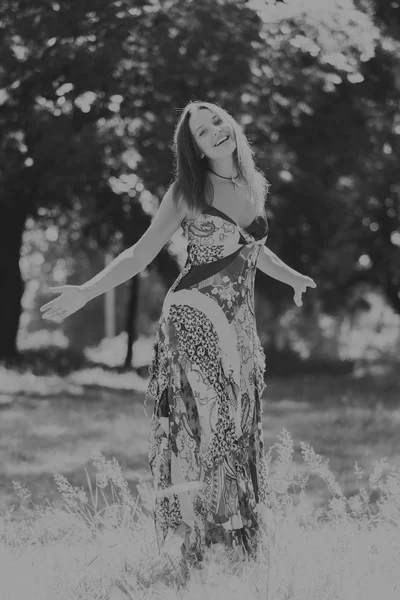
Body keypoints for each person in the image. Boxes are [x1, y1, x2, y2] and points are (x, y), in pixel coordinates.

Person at [40, 100, 316, 574]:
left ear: (230, 126)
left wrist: (291, 277)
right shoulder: (190, 190)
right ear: (194, 148)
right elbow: (139, 254)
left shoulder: (253, 183)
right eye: (202, 133)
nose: (214, 132)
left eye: (217, 123)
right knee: (214, 428)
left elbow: (254, 250)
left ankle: (235, 545)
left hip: (239, 324)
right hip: (195, 316)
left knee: (239, 425)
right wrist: (86, 291)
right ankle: (204, 548)